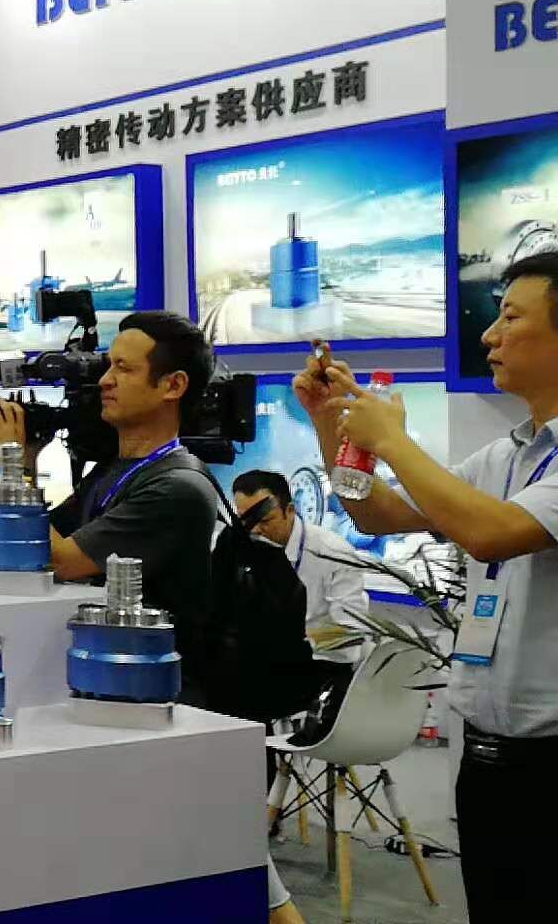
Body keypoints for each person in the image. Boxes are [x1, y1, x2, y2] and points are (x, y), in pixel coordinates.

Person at [295, 253, 558, 922]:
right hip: (491, 756)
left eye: (510, 317)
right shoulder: (507, 455)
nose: (489, 335)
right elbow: (378, 514)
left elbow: (492, 534)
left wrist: (392, 439)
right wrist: (332, 424)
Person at [0, 311, 220, 685]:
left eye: (124, 369)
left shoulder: (178, 488)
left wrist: (10, 465)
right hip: (106, 672)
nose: (106, 381)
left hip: (150, 687)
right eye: (108, 366)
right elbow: (30, 551)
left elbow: (61, 560)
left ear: (172, 385)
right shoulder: (114, 471)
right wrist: (26, 461)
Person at [232, 470, 370, 670]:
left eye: (264, 521)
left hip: (322, 662)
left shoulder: (333, 554)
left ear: (289, 511)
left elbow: (350, 634)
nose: (254, 530)